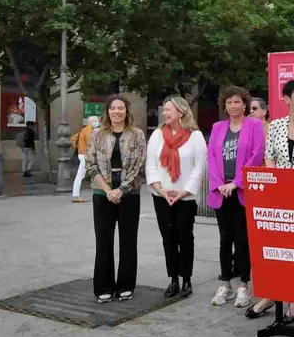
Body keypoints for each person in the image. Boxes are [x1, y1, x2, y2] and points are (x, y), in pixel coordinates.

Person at [246, 78, 294, 320]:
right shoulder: (276, 126)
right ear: (287, 99)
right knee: (277, 250)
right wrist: (275, 183)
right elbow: (270, 157)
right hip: (278, 197)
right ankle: (272, 295)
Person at [85, 94, 147, 303]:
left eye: (120, 108)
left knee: (128, 241)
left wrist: (121, 189)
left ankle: (126, 285)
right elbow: (90, 163)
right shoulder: (97, 135)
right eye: (113, 108)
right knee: (103, 240)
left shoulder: (137, 134)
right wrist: (108, 189)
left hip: (129, 194)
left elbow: (139, 166)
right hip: (102, 194)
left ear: (126, 111)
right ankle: (103, 286)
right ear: (107, 111)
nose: (116, 112)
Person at [208, 86, 266, 307]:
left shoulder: (255, 125)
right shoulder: (217, 127)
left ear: (245, 104)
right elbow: (211, 156)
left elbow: (257, 154)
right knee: (225, 240)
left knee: (243, 241)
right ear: (225, 105)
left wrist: (236, 183)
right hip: (221, 192)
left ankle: (244, 285)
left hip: (243, 191)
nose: (233, 106)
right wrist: (221, 185)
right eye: (229, 102)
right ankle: (225, 285)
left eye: (237, 102)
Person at [146, 96, 207, 299]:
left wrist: (185, 191)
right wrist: (160, 189)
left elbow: (200, 166)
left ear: (181, 112)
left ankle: (187, 279)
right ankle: (173, 278)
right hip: (161, 195)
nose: (165, 113)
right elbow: (151, 165)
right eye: (164, 110)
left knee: (185, 238)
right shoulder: (157, 135)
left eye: (169, 110)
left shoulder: (195, 136)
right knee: (168, 239)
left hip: (185, 197)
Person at [72, 116, 100, 203]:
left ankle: (76, 195)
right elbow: (91, 142)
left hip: (82, 154)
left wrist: (79, 147)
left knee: (83, 174)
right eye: (95, 121)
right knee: (81, 175)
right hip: (86, 155)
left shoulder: (84, 130)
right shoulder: (88, 130)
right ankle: (76, 196)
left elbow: (73, 139)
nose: (97, 122)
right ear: (90, 122)